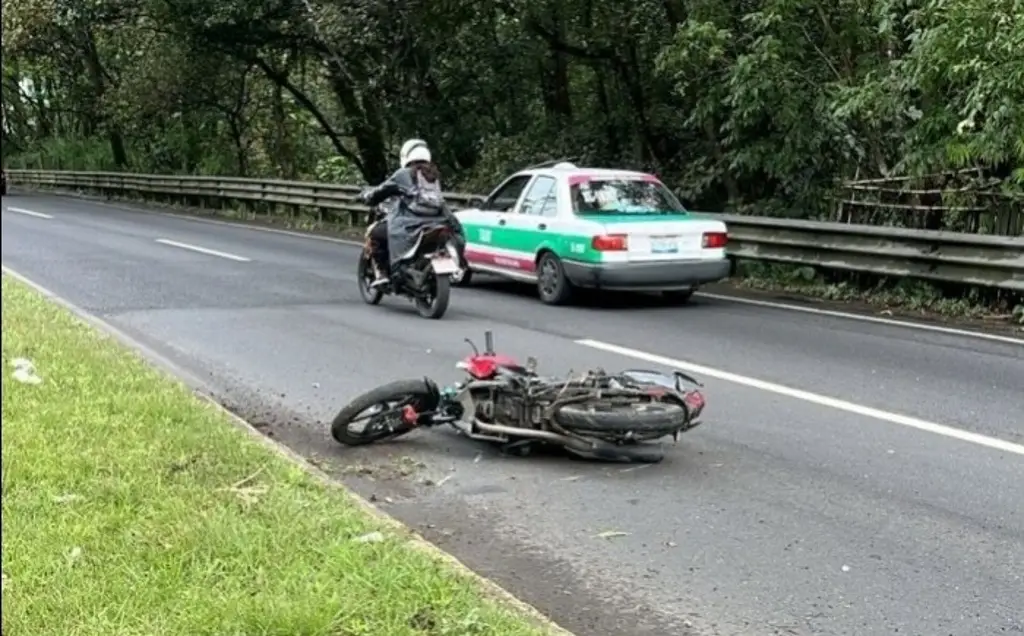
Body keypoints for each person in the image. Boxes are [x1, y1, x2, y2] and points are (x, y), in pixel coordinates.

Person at [360, 139, 466, 287]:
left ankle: (383, 273)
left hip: (409, 224)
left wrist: (367, 196)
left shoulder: (403, 174)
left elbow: (381, 191)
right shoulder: (433, 173)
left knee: (375, 233)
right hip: (436, 221)